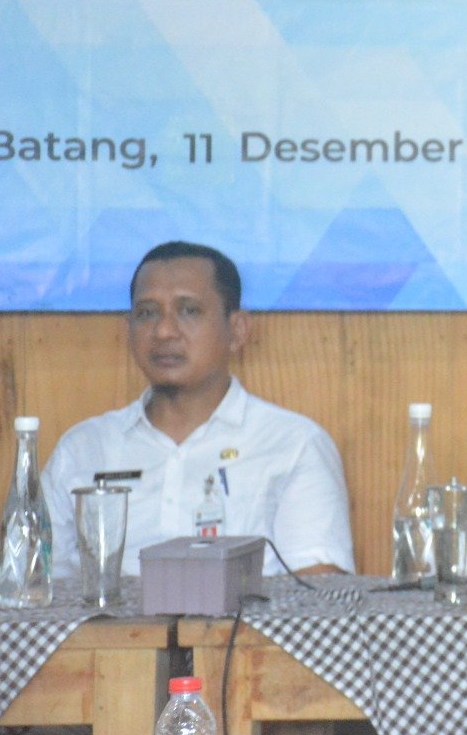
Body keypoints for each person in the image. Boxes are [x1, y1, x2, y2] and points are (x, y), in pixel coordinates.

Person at [42, 240, 355, 579]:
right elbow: (32, 588)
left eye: (189, 310)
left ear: (237, 331)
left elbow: (319, 592)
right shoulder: (83, 449)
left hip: (245, 617)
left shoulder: (293, 445)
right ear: (128, 331)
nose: (164, 331)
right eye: (147, 313)